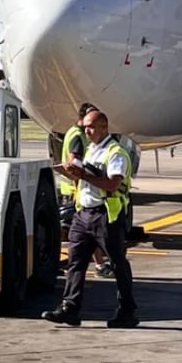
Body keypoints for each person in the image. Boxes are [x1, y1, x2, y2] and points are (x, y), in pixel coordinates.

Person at [44, 108, 139, 328]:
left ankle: (127, 311)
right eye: (85, 126)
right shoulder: (91, 150)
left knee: (117, 264)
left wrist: (83, 175)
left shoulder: (115, 152)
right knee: (75, 262)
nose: (86, 130)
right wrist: (74, 174)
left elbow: (113, 183)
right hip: (83, 214)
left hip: (105, 215)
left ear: (104, 128)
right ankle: (70, 308)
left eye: (91, 126)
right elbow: (88, 180)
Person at [59, 103, 112, 277]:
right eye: (90, 123)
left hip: (77, 188)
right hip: (77, 189)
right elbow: (74, 161)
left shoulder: (73, 132)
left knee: (82, 236)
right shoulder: (77, 136)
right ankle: (95, 265)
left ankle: (96, 265)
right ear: (83, 119)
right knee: (84, 234)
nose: (92, 128)